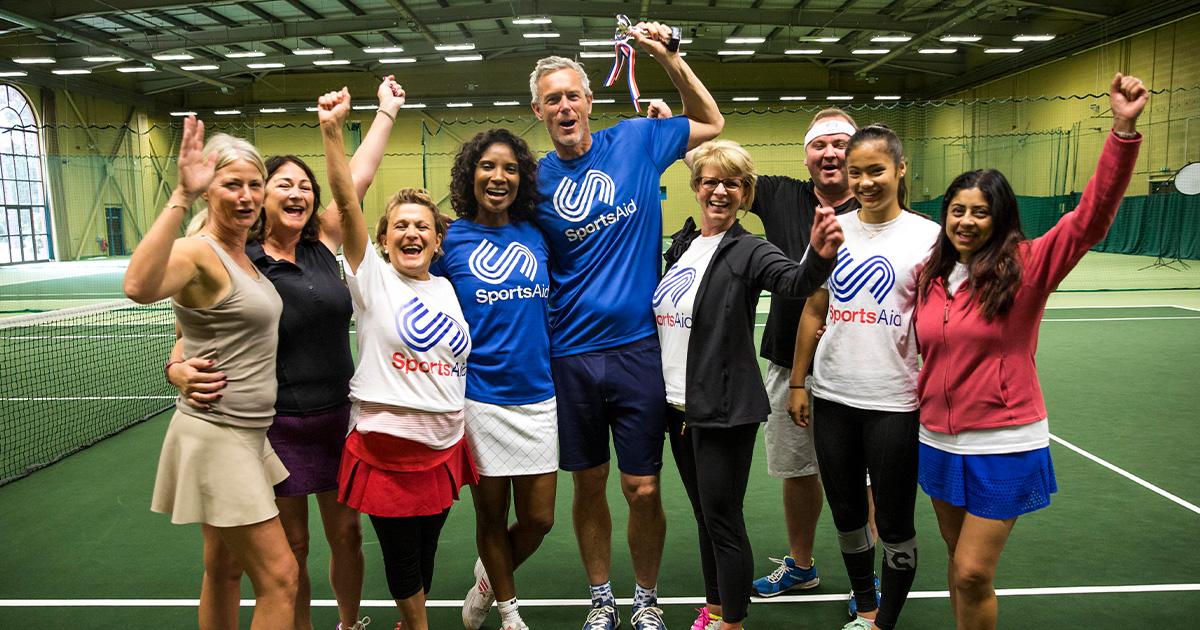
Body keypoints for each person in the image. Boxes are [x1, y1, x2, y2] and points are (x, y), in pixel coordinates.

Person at [167, 77, 405, 630]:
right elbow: (197, 333)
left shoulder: (324, 242)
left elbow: (356, 180)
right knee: (292, 547)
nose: (297, 193)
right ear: (260, 196)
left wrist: (384, 114)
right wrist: (177, 368)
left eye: (304, 185)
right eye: (283, 185)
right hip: (275, 425)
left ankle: (350, 622)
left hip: (340, 418)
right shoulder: (240, 260)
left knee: (346, 534)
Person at [914, 74, 1146, 630]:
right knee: (956, 562)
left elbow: (1091, 217)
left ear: (1000, 217)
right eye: (957, 210)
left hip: (1005, 440)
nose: (966, 221)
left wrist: (1122, 131)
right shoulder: (931, 274)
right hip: (938, 441)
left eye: (980, 211)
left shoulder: (1029, 265)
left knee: (973, 571)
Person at [527, 20, 724, 630]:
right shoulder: (532, 181)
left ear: (590, 101)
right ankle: (601, 599)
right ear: (539, 111)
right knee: (588, 486)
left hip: (639, 352)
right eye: (551, 99)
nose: (564, 106)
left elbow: (712, 123)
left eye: (572, 95)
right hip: (571, 357)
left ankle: (645, 597)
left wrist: (668, 58)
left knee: (643, 487)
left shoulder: (637, 140)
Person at [649, 100, 865, 598]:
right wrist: (669, 128)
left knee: (855, 483)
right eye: (820, 145)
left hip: (814, 377)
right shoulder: (693, 239)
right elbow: (712, 161)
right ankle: (766, 582)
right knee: (743, 496)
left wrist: (820, 255)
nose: (719, 190)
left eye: (730, 185)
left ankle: (855, 583)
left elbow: (796, 281)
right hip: (707, 393)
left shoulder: (751, 246)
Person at [124, 120, 298, 629]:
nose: (246, 197)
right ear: (209, 189)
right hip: (217, 432)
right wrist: (181, 194)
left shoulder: (244, 256)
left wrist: (176, 363)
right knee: (281, 578)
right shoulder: (199, 250)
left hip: (248, 433)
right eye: (231, 185)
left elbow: (198, 328)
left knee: (223, 569)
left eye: (253, 184)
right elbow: (138, 285)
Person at [318, 87, 478, 630]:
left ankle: (412, 620)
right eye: (400, 226)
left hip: (445, 441)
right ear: (383, 241)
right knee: (401, 553)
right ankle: (418, 626)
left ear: (437, 241)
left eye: (422, 227)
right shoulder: (373, 278)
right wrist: (334, 133)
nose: (412, 232)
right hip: (387, 441)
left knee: (427, 546)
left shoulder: (447, 291)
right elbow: (344, 201)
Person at [788, 124, 940, 630]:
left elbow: (944, 322)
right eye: (857, 173)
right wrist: (797, 382)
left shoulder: (929, 238)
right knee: (848, 515)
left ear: (900, 169)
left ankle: (884, 621)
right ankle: (866, 608)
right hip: (833, 397)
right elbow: (813, 310)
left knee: (894, 522)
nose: (866, 182)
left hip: (895, 402)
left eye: (876, 171)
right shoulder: (833, 230)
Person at [431, 129, 556, 630]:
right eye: (486, 166)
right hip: (478, 399)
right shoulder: (451, 239)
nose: (498, 177)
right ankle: (508, 611)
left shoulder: (537, 234)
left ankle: (487, 577)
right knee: (489, 516)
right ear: (470, 175)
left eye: (509, 168)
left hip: (538, 397)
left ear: (521, 177)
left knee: (539, 519)